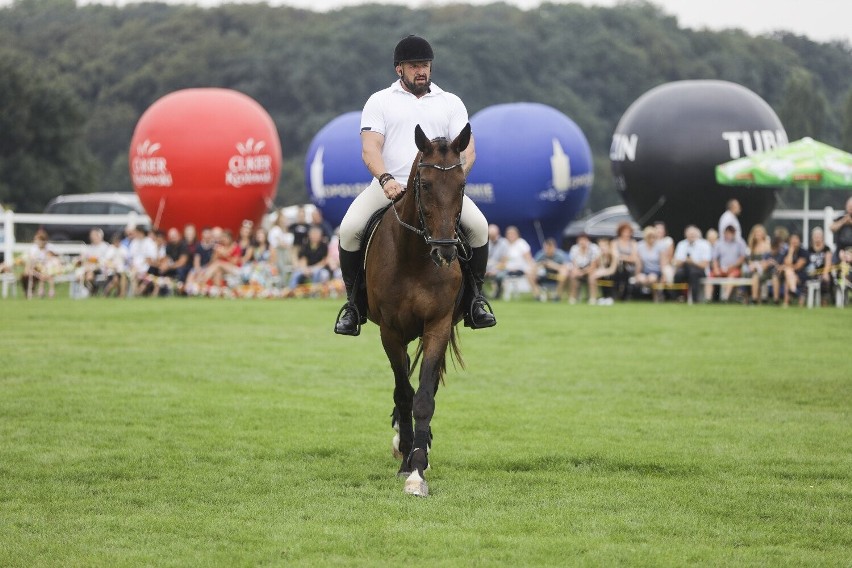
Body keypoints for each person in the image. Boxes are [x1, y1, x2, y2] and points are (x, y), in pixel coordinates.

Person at [334, 35, 494, 335]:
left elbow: (467, 149)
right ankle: (354, 307)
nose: (421, 71)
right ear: (399, 69)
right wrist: (385, 179)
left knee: (480, 227)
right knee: (349, 230)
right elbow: (370, 148)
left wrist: (455, 179)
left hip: (438, 192)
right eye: (414, 66)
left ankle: (475, 301)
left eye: (425, 65)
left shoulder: (450, 102)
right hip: (390, 187)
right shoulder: (380, 101)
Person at [706, 224, 748, 302]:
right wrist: (716, 269)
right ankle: (708, 298)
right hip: (721, 268)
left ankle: (725, 298)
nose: (728, 235)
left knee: (731, 277)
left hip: (734, 269)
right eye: (727, 233)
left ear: (734, 234)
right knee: (710, 277)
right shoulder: (719, 243)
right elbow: (714, 258)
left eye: (730, 233)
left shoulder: (740, 243)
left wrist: (732, 266)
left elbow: (742, 258)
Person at [285, 225, 329, 296]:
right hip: (307, 268)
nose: (314, 236)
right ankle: (291, 291)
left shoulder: (324, 246)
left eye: (316, 234)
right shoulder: (305, 245)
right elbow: (303, 259)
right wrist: (305, 269)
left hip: (319, 268)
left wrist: (313, 268)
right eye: (313, 234)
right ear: (309, 235)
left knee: (321, 273)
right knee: (296, 274)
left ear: (320, 236)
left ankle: (314, 292)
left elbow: (324, 260)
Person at [673, 225, 712, 303]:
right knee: (678, 274)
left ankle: (695, 300)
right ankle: (678, 297)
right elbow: (676, 262)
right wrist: (685, 261)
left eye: (693, 234)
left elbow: (705, 264)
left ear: (697, 234)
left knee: (693, 273)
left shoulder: (704, 244)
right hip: (685, 268)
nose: (691, 236)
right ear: (685, 234)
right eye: (689, 234)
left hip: (700, 270)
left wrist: (693, 262)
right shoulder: (681, 244)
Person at [531, 237, 569, 301]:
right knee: (529, 273)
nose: (547, 249)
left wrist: (553, 265)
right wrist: (541, 265)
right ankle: (537, 296)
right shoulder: (541, 254)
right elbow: (533, 267)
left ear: (554, 247)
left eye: (549, 247)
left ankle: (557, 296)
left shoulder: (560, 255)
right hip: (544, 275)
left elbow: (565, 268)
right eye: (546, 248)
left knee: (563, 273)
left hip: (556, 277)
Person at [566, 233, 600, 304]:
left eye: (584, 240)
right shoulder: (574, 248)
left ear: (588, 241)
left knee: (592, 277)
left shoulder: (594, 248)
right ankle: (573, 298)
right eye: (580, 240)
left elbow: (593, 266)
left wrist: (583, 272)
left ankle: (593, 299)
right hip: (579, 269)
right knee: (572, 275)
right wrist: (577, 272)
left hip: (590, 269)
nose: (582, 242)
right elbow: (574, 264)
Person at [778, 232, 809, 307]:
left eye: (796, 239)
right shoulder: (787, 252)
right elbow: (785, 264)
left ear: (799, 240)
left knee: (788, 273)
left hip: (800, 275)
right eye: (792, 239)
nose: (794, 241)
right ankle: (793, 290)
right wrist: (791, 252)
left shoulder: (803, 252)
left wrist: (786, 267)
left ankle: (786, 302)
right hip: (789, 276)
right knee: (788, 274)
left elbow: (798, 267)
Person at [744, 224, 772, 305]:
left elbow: (767, 261)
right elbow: (749, 260)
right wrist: (752, 265)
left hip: (764, 270)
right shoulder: (751, 246)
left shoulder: (767, 245)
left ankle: (754, 299)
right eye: (756, 232)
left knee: (756, 276)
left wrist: (757, 265)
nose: (758, 234)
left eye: (759, 232)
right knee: (751, 274)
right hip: (752, 270)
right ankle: (750, 298)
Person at [635, 226, 664, 301]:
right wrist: (637, 274)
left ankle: (655, 297)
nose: (651, 239)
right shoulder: (640, 246)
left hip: (656, 270)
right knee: (641, 279)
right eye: (649, 236)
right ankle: (644, 296)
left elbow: (662, 263)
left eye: (653, 237)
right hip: (644, 270)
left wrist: (663, 275)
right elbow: (639, 262)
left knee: (652, 278)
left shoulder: (659, 246)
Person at [611, 222, 639, 301]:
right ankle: (616, 293)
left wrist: (622, 257)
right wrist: (626, 257)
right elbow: (614, 255)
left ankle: (624, 295)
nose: (626, 234)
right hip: (616, 267)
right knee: (619, 270)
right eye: (624, 232)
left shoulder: (633, 243)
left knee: (625, 270)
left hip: (630, 267)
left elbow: (634, 258)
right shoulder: (615, 242)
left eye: (628, 232)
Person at [78, 228, 110, 296]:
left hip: (101, 268)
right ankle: (89, 290)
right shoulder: (90, 247)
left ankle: (91, 291)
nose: (92, 237)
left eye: (94, 235)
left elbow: (106, 260)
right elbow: (85, 259)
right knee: (80, 275)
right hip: (89, 268)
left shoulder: (105, 246)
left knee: (89, 275)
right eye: (91, 235)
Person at [806, 226, 833, 304]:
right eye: (815, 236)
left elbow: (828, 263)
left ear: (822, 237)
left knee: (825, 279)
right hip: (812, 273)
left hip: (823, 272)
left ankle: (824, 301)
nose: (817, 238)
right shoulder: (809, 250)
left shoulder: (827, 249)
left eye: (819, 236)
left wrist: (825, 273)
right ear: (812, 238)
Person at [485, 224, 509, 300]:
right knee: (478, 276)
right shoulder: (487, 242)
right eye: (489, 234)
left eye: (492, 234)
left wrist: (494, 270)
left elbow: (504, 262)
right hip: (488, 268)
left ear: (497, 233)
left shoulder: (504, 243)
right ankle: (484, 296)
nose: (490, 236)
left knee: (499, 276)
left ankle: (498, 294)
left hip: (500, 268)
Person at [592, 237, 617, 304]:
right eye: (600, 246)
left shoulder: (614, 255)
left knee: (608, 277)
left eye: (604, 246)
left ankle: (611, 297)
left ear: (608, 246)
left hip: (617, 275)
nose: (602, 248)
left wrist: (602, 273)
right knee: (600, 278)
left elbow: (613, 270)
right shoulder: (601, 256)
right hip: (606, 274)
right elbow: (601, 268)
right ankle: (604, 296)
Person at [830, 196, 852, 265]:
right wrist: (843, 221)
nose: (850, 208)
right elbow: (832, 228)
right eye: (849, 206)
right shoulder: (841, 217)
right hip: (841, 250)